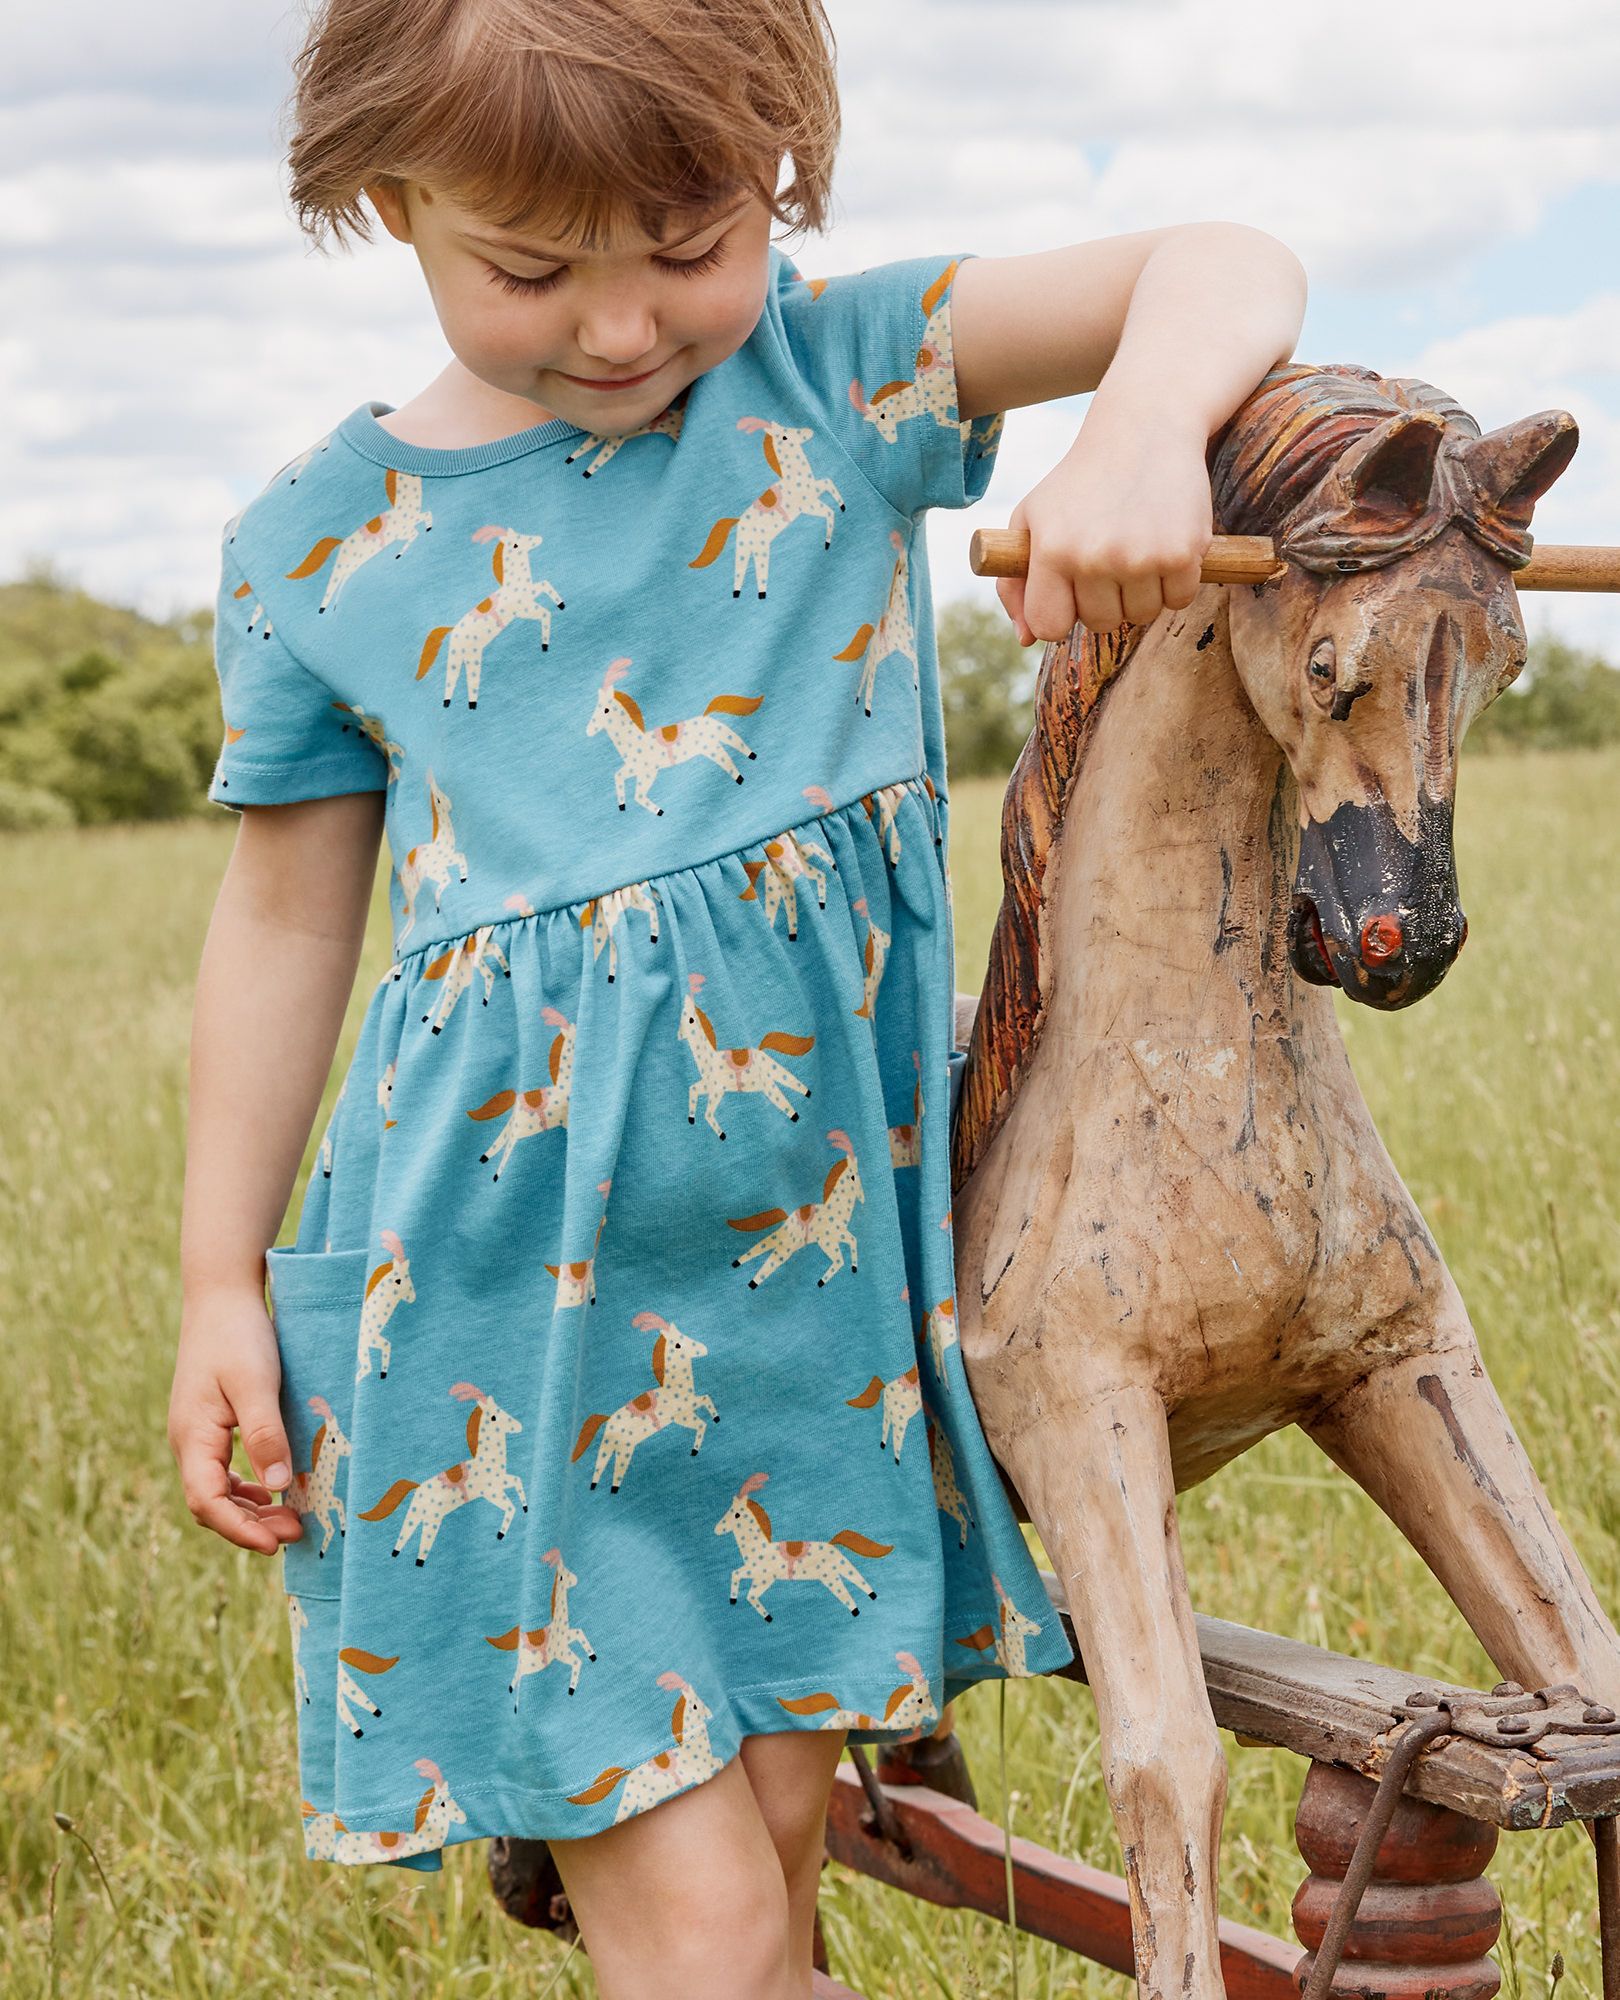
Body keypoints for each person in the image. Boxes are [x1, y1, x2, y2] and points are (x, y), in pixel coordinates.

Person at [168, 0, 1306, 1991]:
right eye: (532, 269)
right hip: (500, 1315)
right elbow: (281, 926)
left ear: (779, 171)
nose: (620, 326)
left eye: (688, 242)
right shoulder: (319, 550)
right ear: (390, 202)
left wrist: (1137, 429)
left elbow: (1223, 261)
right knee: (698, 1931)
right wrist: (214, 1284)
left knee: (774, 1860)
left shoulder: (835, 376)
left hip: (800, 1320)